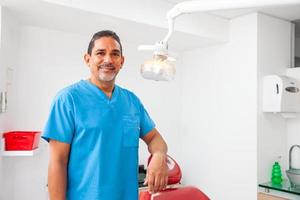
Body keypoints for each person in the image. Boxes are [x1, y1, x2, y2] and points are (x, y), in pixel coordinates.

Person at [42, 30, 168, 200]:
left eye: (115, 54)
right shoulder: (68, 99)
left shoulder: (131, 101)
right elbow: (58, 162)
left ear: (121, 62)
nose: (108, 60)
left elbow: (154, 138)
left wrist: (159, 156)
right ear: (88, 59)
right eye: (100, 53)